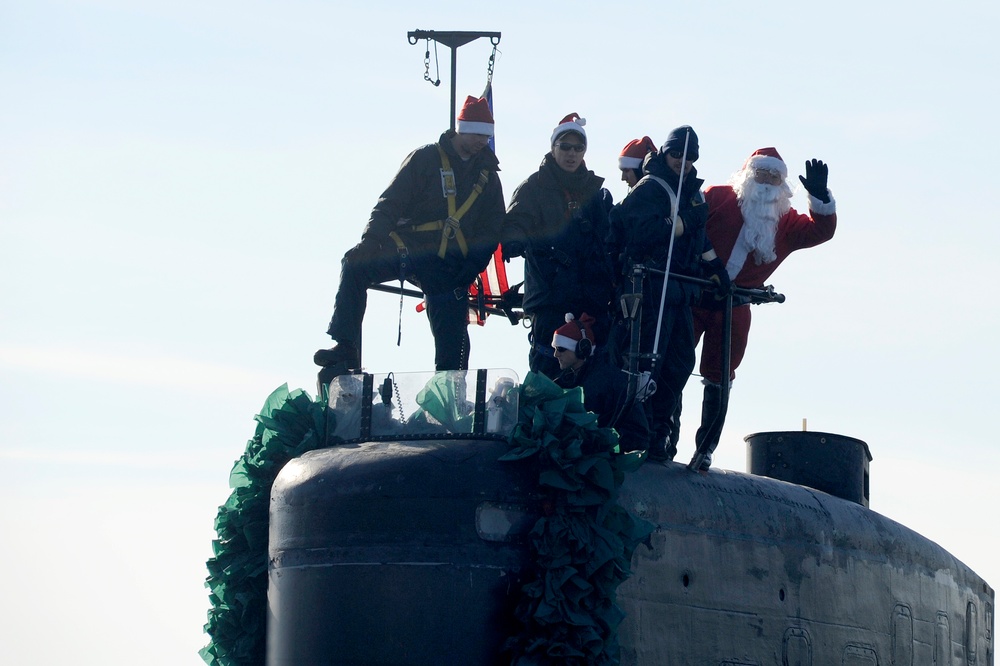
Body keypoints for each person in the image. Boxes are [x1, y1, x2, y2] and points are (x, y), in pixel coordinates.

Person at [314, 96, 506, 375]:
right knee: (355, 264)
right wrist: (370, 242)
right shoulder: (426, 158)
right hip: (410, 248)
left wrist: (470, 268)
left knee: (453, 342)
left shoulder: (488, 177)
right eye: (478, 133)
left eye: (487, 135)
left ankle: (449, 392)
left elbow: (492, 229)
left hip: (451, 265)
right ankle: (345, 347)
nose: (482, 141)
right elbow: (390, 203)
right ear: (462, 129)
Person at [685, 147, 836, 469]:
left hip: (735, 306)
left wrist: (820, 197)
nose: (767, 181)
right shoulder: (718, 197)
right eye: (762, 173)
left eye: (775, 176)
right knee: (673, 362)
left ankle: (705, 448)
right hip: (695, 296)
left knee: (720, 376)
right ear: (747, 175)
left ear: (783, 184)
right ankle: (662, 439)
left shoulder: (787, 221)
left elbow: (822, 231)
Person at [606, 125, 730, 461]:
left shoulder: (691, 193)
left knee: (679, 363)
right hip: (651, 289)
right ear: (665, 153)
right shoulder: (650, 188)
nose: (683, 162)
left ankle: (660, 434)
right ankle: (636, 435)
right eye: (677, 154)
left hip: (680, 290)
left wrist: (717, 269)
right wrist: (683, 222)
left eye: (690, 157)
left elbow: (700, 242)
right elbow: (641, 233)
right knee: (647, 363)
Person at [502, 113, 615, 379]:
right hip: (550, 298)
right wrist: (514, 240)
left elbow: (610, 237)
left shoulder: (595, 193)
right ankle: (544, 420)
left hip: (591, 300)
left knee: (593, 376)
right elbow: (514, 222)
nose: (572, 153)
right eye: (565, 146)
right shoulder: (533, 188)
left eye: (578, 147)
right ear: (553, 148)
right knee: (547, 374)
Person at [551, 313, 650, 453]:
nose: (556, 354)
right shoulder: (563, 381)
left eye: (561, 348)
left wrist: (599, 443)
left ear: (582, 348)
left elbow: (637, 434)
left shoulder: (607, 380)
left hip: (603, 454)